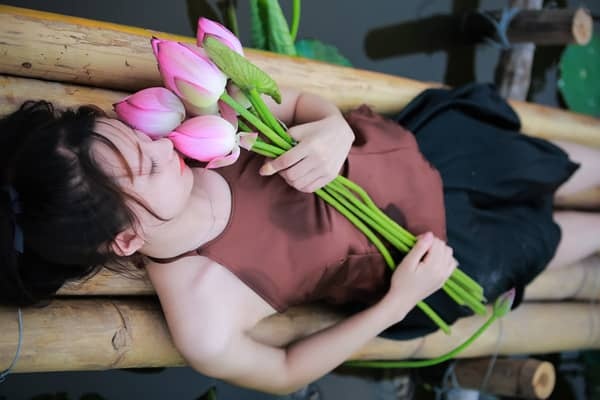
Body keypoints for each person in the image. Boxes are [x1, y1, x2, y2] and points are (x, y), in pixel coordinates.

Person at [1, 82, 598, 395]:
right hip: (432, 255)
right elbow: (286, 370)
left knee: (572, 165)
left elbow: (295, 101)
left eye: (139, 135)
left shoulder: (196, 125)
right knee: (572, 234)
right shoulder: (202, 314)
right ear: (127, 240)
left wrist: (333, 129)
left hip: (428, 149)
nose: (162, 143)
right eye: (149, 165)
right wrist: (398, 302)